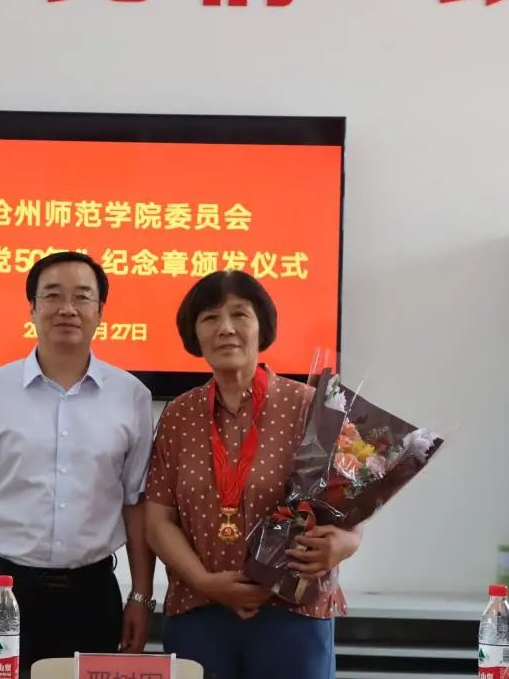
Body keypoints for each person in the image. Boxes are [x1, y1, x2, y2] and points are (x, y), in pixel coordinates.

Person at [0, 251, 156, 679]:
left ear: (100, 311)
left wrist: (140, 597)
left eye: (82, 297)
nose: (67, 308)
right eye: (53, 295)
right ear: (32, 309)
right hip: (2, 593)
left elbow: (136, 507)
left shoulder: (131, 397)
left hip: (91, 596)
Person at [144, 270, 363, 679]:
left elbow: (350, 510)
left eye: (239, 314)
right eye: (210, 318)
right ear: (194, 334)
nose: (225, 328)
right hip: (199, 612)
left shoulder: (311, 406)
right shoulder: (178, 416)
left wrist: (344, 545)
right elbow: (158, 521)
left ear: (262, 326)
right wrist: (206, 581)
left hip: (292, 612)